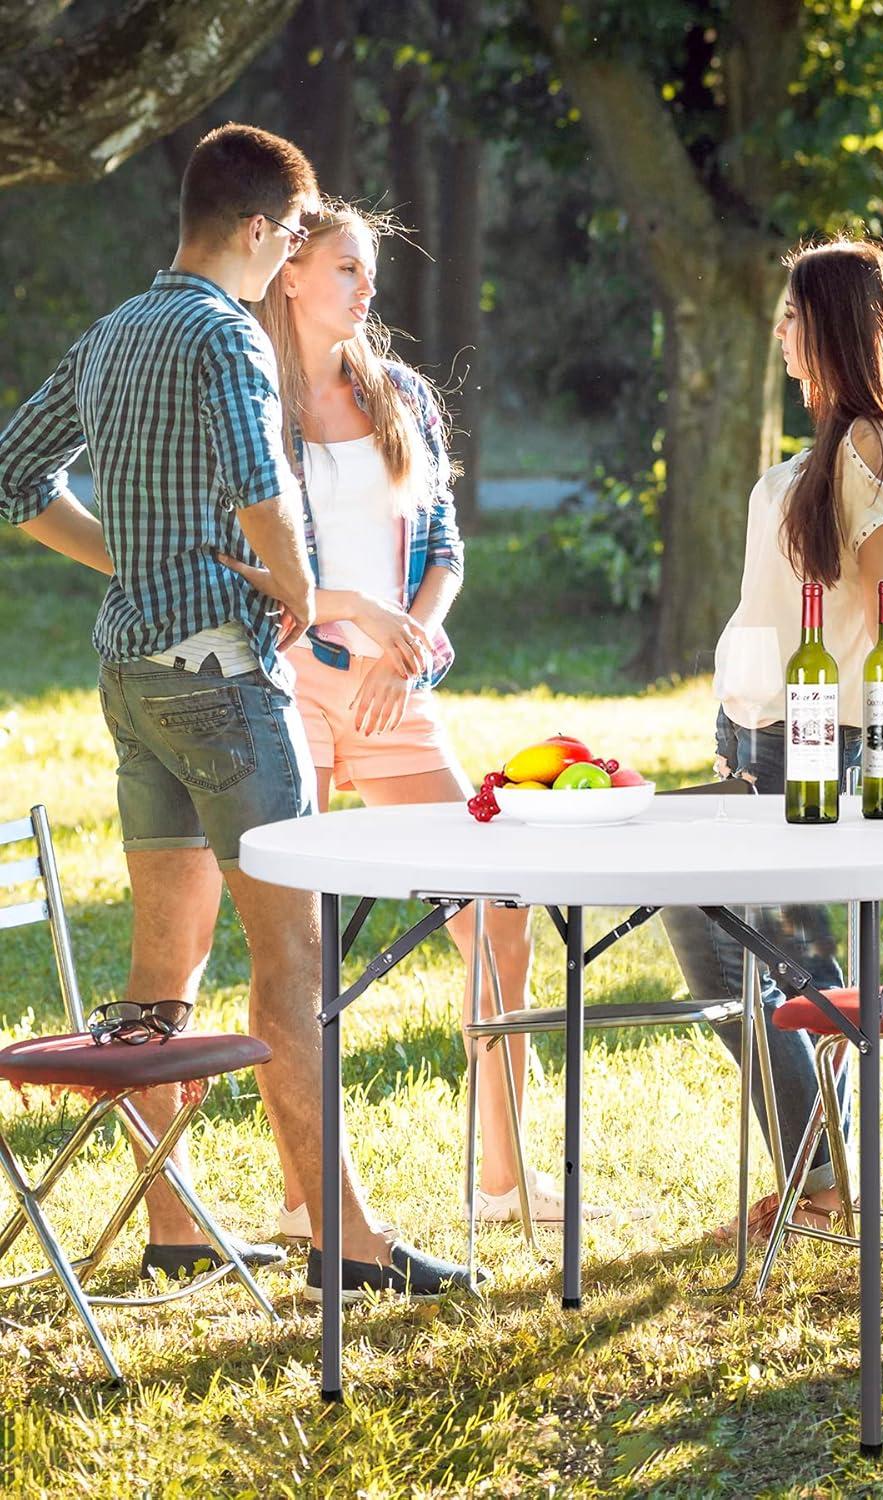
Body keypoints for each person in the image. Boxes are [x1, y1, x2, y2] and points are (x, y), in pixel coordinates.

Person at [0, 124, 471, 1300]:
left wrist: (131, 563)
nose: (285, 269)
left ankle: (175, 1227)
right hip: (224, 679)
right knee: (295, 957)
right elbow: (265, 501)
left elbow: (13, 476)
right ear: (259, 231)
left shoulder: (113, 333)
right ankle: (347, 1244)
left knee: (166, 970)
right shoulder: (228, 340)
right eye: (287, 243)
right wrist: (308, 599)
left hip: (132, 681)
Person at [227, 200, 576, 1227]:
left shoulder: (403, 396)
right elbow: (246, 563)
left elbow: (448, 551)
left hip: (397, 694)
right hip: (289, 681)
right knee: (298, 946)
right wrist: (340, 630)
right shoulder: (252, 397)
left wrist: (411, 641)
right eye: (345, 267)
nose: (364, 287)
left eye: (367, 271)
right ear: (290, 273)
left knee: (498, 914)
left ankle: (505, 1180)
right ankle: (306, 1198)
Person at [662, 238, 883, 1240]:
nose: (783, 336)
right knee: (720, 939)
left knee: (782, 971)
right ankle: (819, 1173)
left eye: (796, 317)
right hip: (759, 735)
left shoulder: (873, 446)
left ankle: (823, 1184)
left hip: (822, 739)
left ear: (836, 325)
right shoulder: (828, 449)